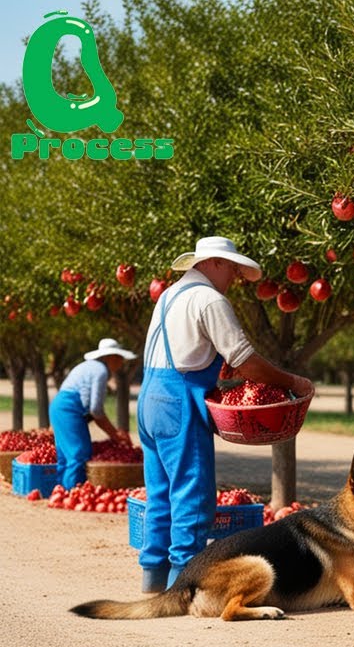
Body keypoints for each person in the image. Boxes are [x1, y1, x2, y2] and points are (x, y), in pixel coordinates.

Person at [137, 236, 313, 593]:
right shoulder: (209, 299)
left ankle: (152, 578)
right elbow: (247, 360)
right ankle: (181, 586)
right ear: (214, 263)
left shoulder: (169, 296)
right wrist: (292, 381)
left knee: (160, 492)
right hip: (178, 402)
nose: (233, 276)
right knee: (192, 493)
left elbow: (192, 353)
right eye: (231, 268)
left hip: (149, 398)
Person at [51, 338, 137, 490]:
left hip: (59, 406)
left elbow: (90, 408)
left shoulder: (90, 367)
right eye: (120, 358)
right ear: (110, 357)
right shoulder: (100, 371)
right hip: (68, 408)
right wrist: (115, 434)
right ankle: (72, 493)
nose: (121, 362)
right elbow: (96, 410)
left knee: (65, 456)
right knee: (78, 454)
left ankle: (60, 493)